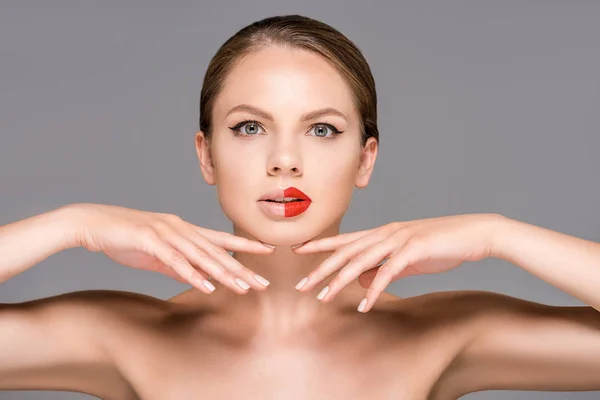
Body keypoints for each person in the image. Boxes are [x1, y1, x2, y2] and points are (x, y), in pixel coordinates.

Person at [1, 14, 600, 400]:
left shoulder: (443, 335)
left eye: (321, 130)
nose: (284, 160)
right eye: (248, 128)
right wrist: (71, 225)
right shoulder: (122, 336)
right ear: (206, 156)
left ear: (365, 160)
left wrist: (499, 235)